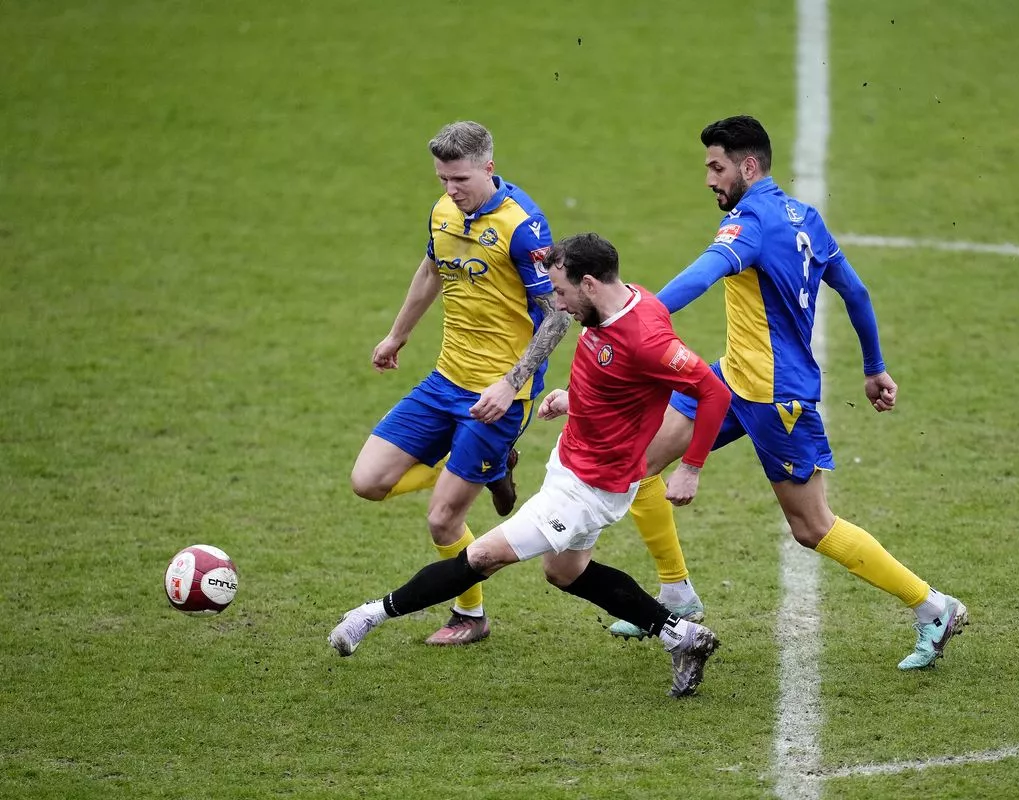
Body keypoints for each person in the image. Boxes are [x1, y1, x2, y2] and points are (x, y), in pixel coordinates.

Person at [609, 116, 968, 670]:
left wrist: (630, 314)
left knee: (812, 528)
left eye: (716, 166)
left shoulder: (747, 224)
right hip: (730, 379)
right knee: (637, 465)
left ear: (748, 166)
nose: (708, 178)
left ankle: (932, 606)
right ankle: (676, 593)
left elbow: (702, 276)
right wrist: (874, 366)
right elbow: (856, 290)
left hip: (778, 398)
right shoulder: (805, 218)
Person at [330, 233, 733, 697]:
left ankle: (368, 616)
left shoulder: (647, 337)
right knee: (565, 572)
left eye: (560, 292)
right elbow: (618, 379)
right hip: (572, 461)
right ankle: (683, 637)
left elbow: (713, 391)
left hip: (591, 487)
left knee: (481, 557)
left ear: (589, 283)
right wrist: (573, 398)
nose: (556, 304)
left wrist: (691, 467)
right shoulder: (616, 301)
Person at [349, 121, 572, 646]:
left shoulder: (523, 226)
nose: (451, 189)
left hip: (499, 395)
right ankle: (489, 468)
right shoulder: (442, 211)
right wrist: (396, 335)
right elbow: (431, 270)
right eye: (443, 178)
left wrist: (510, 382)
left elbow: (557, 316)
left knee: (443, 521)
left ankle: (470, 617)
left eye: (461, 179)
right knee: (368, 482)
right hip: (444, 380)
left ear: (489, 169)